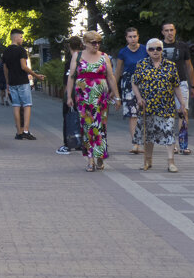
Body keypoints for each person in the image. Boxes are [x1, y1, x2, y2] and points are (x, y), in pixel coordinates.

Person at [66, 32, 119, 171]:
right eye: (93, 42)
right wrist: (69, 97)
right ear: (85, 43)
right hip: (83, 97)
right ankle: (90, 159)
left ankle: (100, 155)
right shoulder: (77, 56)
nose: (96, 45)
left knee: (101, 126)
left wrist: (117, 96)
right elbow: (71, 76)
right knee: (87, 127)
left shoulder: (104, 56)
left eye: (98, 42)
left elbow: (111, 77)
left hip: (101, 97)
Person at [132, 37, 182, 172]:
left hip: (166, 105)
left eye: (158, 48)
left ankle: (171, 162)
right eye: (152, 49)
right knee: (148, 135)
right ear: (147, 51)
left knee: (169, 132)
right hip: (147, 106)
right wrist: (139, 98)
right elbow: (134, 83)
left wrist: (181, 104)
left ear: (162, 50)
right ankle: (148, 160)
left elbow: (176, 86)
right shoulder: (141, 64)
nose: (155, 51)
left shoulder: (170, 65)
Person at [2, 29, 45, 139]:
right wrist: (37, 76)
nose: (22, 39)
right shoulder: (21, 50)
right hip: (22, 81)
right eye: (21, 37)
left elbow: (5, 68)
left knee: (16, 105)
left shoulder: (6, 51)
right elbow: (23, 66)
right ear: (15, 37)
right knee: (27, 105)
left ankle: (19, 132)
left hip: (12, 82)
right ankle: (26, 130)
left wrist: (7, 81)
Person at [161, 23, 194, 155]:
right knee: (168, 115)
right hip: (164, 84)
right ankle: (171, 143)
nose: (170, 33)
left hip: (181, 82)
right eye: (167, 30)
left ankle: (183, 144)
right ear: (162, 32)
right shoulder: (158, 47)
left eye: (172, 30)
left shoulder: (182, 46)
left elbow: (189, 65)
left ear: (175, 31)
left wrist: (193, 85)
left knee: (183, 112)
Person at [114, 27, 147, 155]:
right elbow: (118, 71)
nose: (133, 39)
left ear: (138, 37)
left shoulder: (145, 49)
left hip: (144, 82)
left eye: (135, 36)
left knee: (143, 113)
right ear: (126, 38)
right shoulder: (123, 52)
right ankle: (135, 143)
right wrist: (114, 89)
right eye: (130, 37)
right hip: (128, 83)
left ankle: (144, 142)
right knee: (132, 114)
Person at [57, 36, 84, 155]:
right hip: (83, 93)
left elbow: (67, 80)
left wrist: (67, 96)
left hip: (72, 93)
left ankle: (67, 144)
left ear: (69, 47)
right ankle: (80, 142)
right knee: (82, 119)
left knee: (68, 118)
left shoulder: (71, 61)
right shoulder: (85, 58)